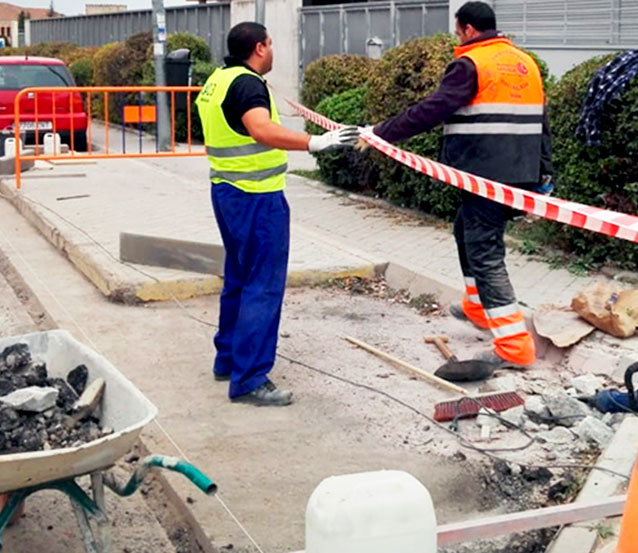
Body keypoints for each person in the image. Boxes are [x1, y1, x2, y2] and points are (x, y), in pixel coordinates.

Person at [371, 1, 553, 373]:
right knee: (463, 229)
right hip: (520, 173)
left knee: (485, 252)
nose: (458, 38)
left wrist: (381, 133)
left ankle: (514, 346)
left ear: (468, 29)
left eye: (458, 32)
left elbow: (433, 108)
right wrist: (545, 176)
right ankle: (476, 306)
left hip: (485, 175)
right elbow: (542, 123)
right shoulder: (524, 63)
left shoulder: (471, 64)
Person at [196, 22, 359, 406]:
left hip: (227, 193)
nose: (273, 51)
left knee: (238, 278)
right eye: (271, 45)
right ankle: (250, 379)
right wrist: (314, 142)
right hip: (257, 198)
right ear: (259, 48)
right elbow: (261, 130)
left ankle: (230, 361)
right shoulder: (248, 85)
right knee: (263, 285)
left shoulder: (218, 80)